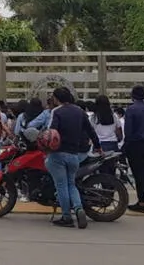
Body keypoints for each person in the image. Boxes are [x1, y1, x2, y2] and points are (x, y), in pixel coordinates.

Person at [47, 87, 100, 228]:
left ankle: (66, 217)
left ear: (57, 99)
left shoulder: (56, 112)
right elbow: (90, 131)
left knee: (61, 186)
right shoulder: (80, 112)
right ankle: (78, 208)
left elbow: (52, 132)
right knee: (71, 184)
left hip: (58, 154)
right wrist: (98, 147)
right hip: (74, 155)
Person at [123, 85, 144, 213]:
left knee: (138, 174)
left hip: (136, 145)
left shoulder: (131, 110)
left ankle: (141, 201)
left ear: (132, 95)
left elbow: (128, 131)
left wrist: (126, 146)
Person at [90, 95, 122, 175]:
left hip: (99, 146)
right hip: (112, 144)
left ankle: (104, 186)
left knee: (101, 171)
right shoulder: (114, 117)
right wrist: (119, 140)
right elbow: (119, 132)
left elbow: (91, 132)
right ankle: (112, 186)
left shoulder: (93, 118)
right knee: (112, 170)